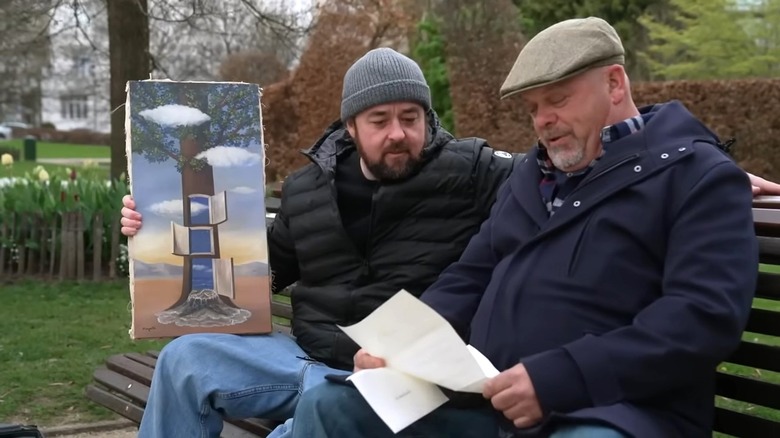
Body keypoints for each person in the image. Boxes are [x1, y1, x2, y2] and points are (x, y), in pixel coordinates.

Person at [290, 17, 761, 438]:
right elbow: (469, 275)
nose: (544, 122)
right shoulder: (531, 178)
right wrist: (395, 348)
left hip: (613, 414)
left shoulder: (694, 176)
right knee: (330, 407)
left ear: (615, 85)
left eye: (556, 100)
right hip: (489, 408)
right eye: (533, 108)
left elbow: (701, 316)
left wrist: (557, 379)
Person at [119, 47, 517, 438]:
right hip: (301, 361)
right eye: (380, 120)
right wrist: (153, 227)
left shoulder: (471, 172)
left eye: (410, 118)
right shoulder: (307, 189)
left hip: (397, 379)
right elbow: (260, 278)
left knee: (318, 414)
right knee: (183, 360)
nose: (398, 133)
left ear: (426, 118)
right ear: (351, 125)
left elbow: (551, 180)